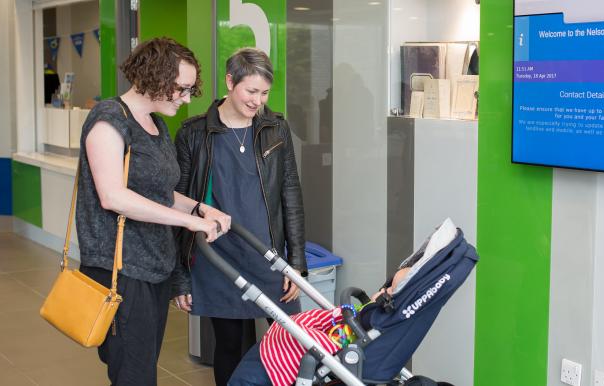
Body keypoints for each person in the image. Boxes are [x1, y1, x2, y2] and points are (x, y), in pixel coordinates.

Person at [76, 37, 232, 385]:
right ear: (154, 77)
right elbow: (114, 197)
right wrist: (190, 221)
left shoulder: (157, 124)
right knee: (134, 375)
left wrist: (201, 208)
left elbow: (160, 193)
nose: (187, 98)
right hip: (122, 270)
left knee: (142, 367)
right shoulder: (109, 120)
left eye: (192, 89)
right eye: (181, 88)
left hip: (155, 267)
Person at [172, 47, 307, 386]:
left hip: (269, 257)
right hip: (220, 260)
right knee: (231, 345)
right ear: (230, 82)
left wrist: (297, 262)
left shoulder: (276, 128)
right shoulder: (194, 133)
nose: (257, 101)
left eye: (263, 93)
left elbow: (291, 193)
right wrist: (181, 275)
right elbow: (177, 204)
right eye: (251, 91)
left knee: (293, 342)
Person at [228, 268, 413, 386]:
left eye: (388, 290)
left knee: (246, 378)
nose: (381, 290)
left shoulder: (373, 319)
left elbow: (332, 340)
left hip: (275, 360)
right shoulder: (365, 315)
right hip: (277, 347)